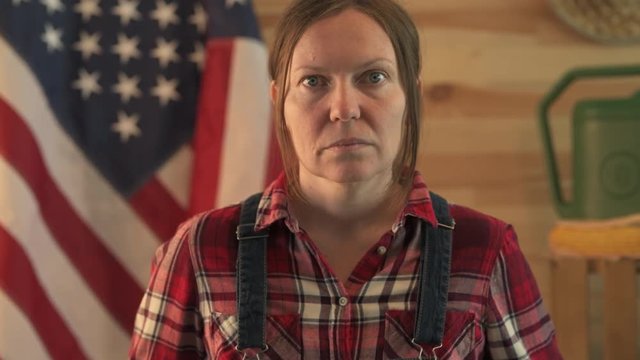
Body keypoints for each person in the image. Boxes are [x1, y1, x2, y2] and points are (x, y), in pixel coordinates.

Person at [129, 0, 562, 359]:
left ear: (409, 92)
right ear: (279, 100)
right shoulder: (199, 251)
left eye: (373, 77)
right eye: (313, 81)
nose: (344, 108)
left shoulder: (485, 251)